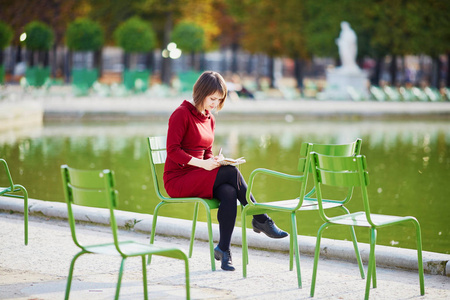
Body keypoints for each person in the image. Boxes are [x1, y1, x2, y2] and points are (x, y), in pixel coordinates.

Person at [164, 71, 288, 271]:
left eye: (219, 99)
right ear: (201, 93)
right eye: (212, 98)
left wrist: (213, 160)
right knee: (231, 172)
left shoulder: (209, 118)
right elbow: (172, 151)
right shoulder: (181, 114)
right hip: (178, 180)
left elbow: (206, 152)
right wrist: (203, 164)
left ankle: (224, 249)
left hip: (197, 176)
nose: (215, 104)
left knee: (229, 193)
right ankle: (261, 218)